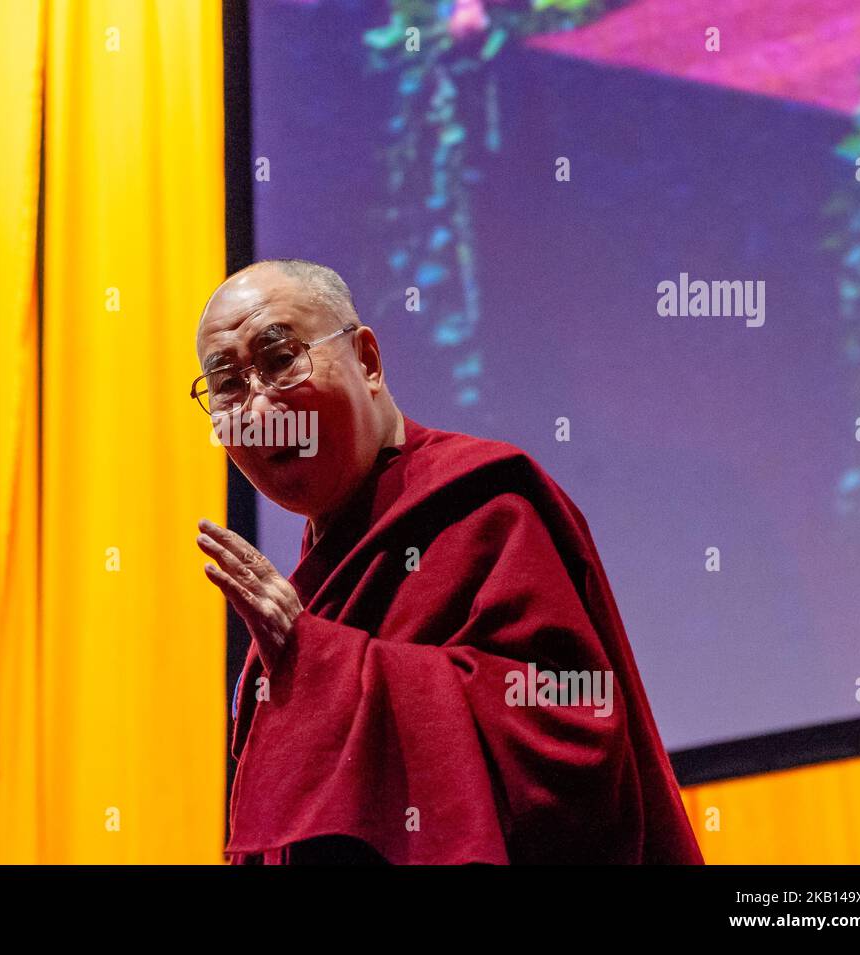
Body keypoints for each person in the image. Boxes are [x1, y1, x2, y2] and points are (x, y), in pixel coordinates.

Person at [192, 258, 704, 865]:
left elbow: (575, 736)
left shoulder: (484, 503)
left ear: (368, 361)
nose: (255, 406)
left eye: (280, 360)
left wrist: (322, 664)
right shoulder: (324, 571)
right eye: (226, 383)